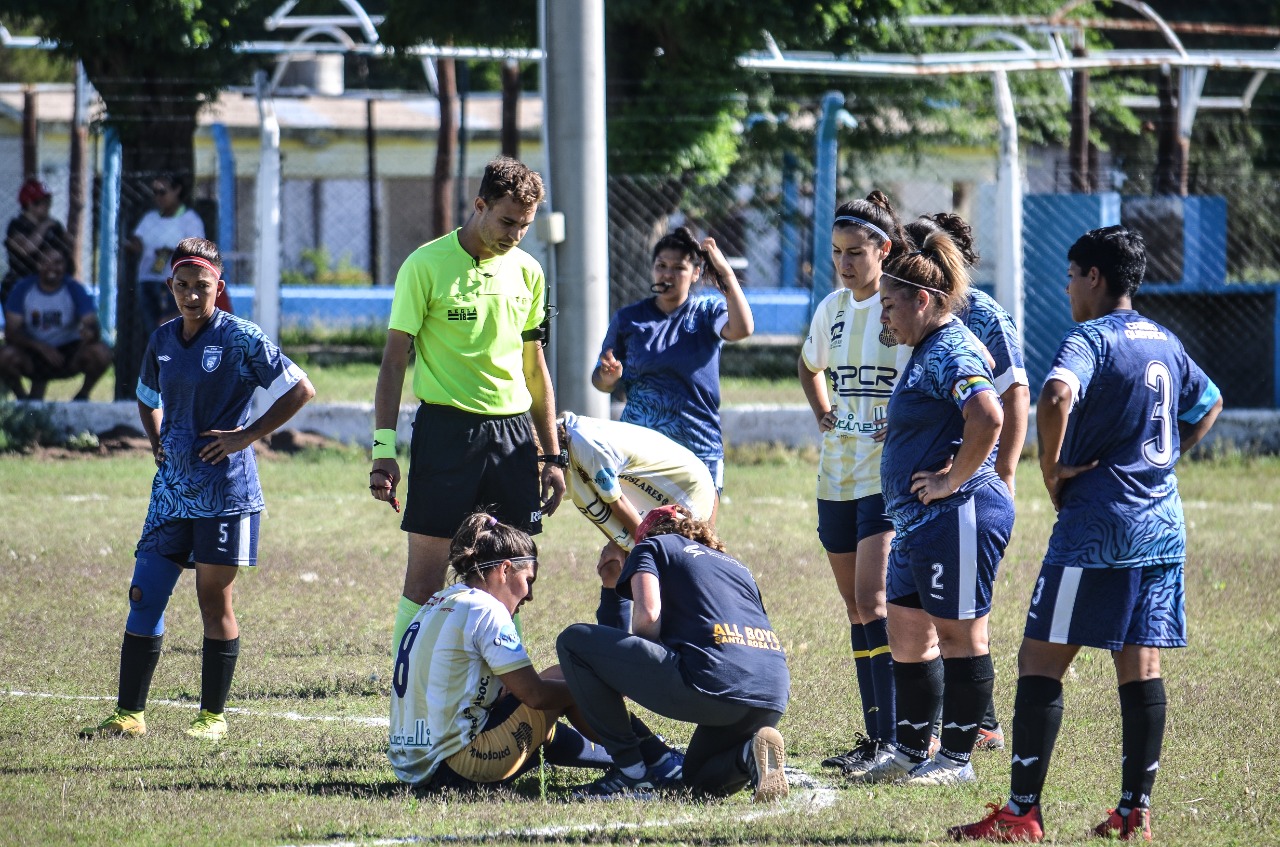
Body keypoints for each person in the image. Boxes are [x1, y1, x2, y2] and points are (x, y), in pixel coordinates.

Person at [950, 226, 1222, 843]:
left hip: (1096, 526)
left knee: (1041, 656)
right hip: (1160, 524)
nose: (1068, 287)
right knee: (1139, 660)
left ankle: (1021, 814)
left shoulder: (1091, 338)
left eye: (1072, 274)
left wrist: (1051, 468)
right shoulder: (1165, 340)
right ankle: (1134, 812)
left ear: (1094, 277)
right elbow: (1209, 402)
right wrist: (1165, 460)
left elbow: (1053, 393)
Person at [80, 237, 315, 742]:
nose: (191, 296)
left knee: (214, 601)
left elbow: (300, 388)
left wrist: (246, 436)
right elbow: (146, 397)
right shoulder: (162, 339)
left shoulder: (242, 338)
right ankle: (129, 714)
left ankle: (212, 717)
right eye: (182, 286)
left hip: (225, 494)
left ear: (219, 288)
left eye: (201, 287)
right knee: (144, 595)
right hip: (170, 493)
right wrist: (156, 437)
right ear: (170, 287)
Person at [370, 157, 565, 653]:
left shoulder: (529, 272)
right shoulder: (425, 265)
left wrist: (551, 455)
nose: (515, 235)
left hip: (514, 438)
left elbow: (534, 366)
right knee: (427, 576)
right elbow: (394, 362)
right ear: (479, 205)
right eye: (506, 222)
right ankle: (406, 679)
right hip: (445, 433)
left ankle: (506, 689)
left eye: (525, 226)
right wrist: (383, 448)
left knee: (514, 574)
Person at [855, 227, 1014, 786]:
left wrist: (951, 479)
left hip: (959, 514)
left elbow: (988, 415)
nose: (884, 319)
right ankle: (909, 751)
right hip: (917, 522)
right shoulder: (925, 349)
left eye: (891, 306)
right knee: (907, 634)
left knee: (959, 637)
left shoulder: (954, 347)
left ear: (922, 300)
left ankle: (957, 760)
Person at [556, 504, 790, 802]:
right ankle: (749, 753)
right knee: (699, 782)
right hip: (771, 693)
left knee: (574, 642)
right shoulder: (737, 566)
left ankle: (632, 773)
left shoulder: (652, 546)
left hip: (713, 684)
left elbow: (648, 617)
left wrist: (626, 665)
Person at [904, 211, 1032, 753]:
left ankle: (979, 725)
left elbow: (1012, 394)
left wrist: (1002, 472)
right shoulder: (908, 308)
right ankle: (931, 731)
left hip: (966, 488)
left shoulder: (981, 314)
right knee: (930, 614)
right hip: (927, 490)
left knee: (962, 618)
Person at [389, 512, 632, 791]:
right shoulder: (486, 608)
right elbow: (536, 695)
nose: (529, 595)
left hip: (412, 766)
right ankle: (640, 762)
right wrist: (595, 689)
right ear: (505, 570)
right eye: (529, 580)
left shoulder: (442, 598)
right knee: (571, 682)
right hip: (454, 767)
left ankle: (625, 759)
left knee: (559, 680)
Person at [797, 192, 911, 777]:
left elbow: (930, 373)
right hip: (835, 476)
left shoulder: (900, 309)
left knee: (875, 601)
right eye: (837, 252)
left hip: (884, 479)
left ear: (883, 250)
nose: (843, 263)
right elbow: (808, 365)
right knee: (855, 609)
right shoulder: (832, 310)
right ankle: (876, 736)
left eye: (855, 252)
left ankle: (898, 737)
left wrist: (909, 421)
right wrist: (823, 411)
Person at [591, 227, 753, 491]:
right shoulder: (628, 318)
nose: (667, 274)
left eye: (678, 268)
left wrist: (727, 275)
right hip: (639, 449)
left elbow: (743, 329)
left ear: (696, 273)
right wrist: (608, 378)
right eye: (661, 265)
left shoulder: (707, 312)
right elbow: (600, 381)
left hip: (697, 446)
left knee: (695, 531)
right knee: (640, 531)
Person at [557, 410, 717, 629]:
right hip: (641, 494)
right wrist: (621, 546)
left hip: (682, 490)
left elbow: (618, 503)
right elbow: (601, 511)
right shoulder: (568, 463)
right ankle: (613, 655)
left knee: (665, 576)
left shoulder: (585, 445)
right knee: (613, 566)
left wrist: (644, 554)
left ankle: (678, 647)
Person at [0, 244, 111, 400]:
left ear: (65, 265)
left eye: (58, 262)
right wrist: (41, 347)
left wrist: (89, 332)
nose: (52, 268)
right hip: (33, 352)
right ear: (38, 264)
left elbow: (92, 324)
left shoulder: (74, 289)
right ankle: (23, 401)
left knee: (101, 352)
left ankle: (82, 396)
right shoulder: (22, 289)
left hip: (67, 353)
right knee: (5, 355)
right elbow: (11, 333)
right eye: (46, 262)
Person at [125, 172, 206, 329]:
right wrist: (131, 245)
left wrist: (173, 251)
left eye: (162, 192)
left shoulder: (189, 219)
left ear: (177, 190)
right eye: (155, 192)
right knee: (154, 328)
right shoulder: (150, 218)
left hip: (177, 281)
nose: (158, 197)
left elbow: (198, 247)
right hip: (149, 278)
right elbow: (137, 241)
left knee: (174, 326)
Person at [3, 178, 72, 308]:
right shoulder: (17, 226)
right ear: (30, 203)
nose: (48, 206)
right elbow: (25, 248)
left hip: (48, 283)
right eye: (44, 202)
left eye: (49, 201)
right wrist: (44, 226)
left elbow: (65, 251)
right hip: (21, 281)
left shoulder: (54, 226)